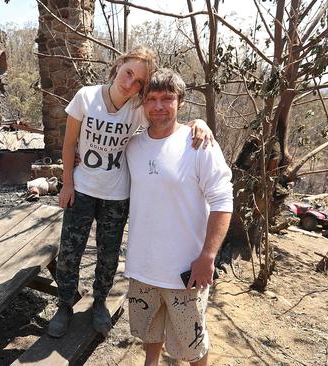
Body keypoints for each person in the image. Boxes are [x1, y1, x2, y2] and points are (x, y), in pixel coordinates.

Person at [48, 46, 214, 338]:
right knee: (70, 250)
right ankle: (64, 305)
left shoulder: (138, 109)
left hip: (117, 194)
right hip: (83, 189)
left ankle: (99, 302)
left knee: (108, 253)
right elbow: (68, 144)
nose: (130, 84)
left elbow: (165, 119)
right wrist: (68, 183)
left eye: (139, 82)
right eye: (128, 74)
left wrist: (196, 123)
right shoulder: (86, 97)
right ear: (119, 64)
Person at [124, 68, 233, 365]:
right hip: (142, 266)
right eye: (151, 98)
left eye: (167, 98)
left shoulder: (199, 144)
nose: (158, 106)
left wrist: (208, 256)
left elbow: (223, 200)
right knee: (149, 333)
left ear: (180, 101)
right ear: (142, 103)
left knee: (191, 345)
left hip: (185, 271)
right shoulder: (132, 146)